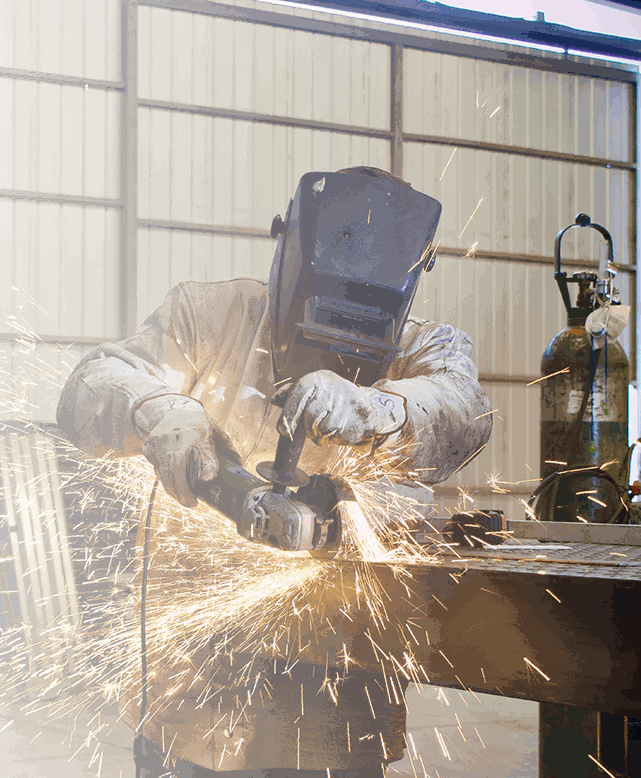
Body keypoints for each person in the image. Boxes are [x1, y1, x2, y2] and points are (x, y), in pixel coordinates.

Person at [57, 167, 492, 777]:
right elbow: (89, 385)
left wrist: (380, 408)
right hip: (192, 694)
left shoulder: (427, 349)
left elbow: (464, 407)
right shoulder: (206, 316)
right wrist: (162, 412)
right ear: (286, 252)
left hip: (335, 709)